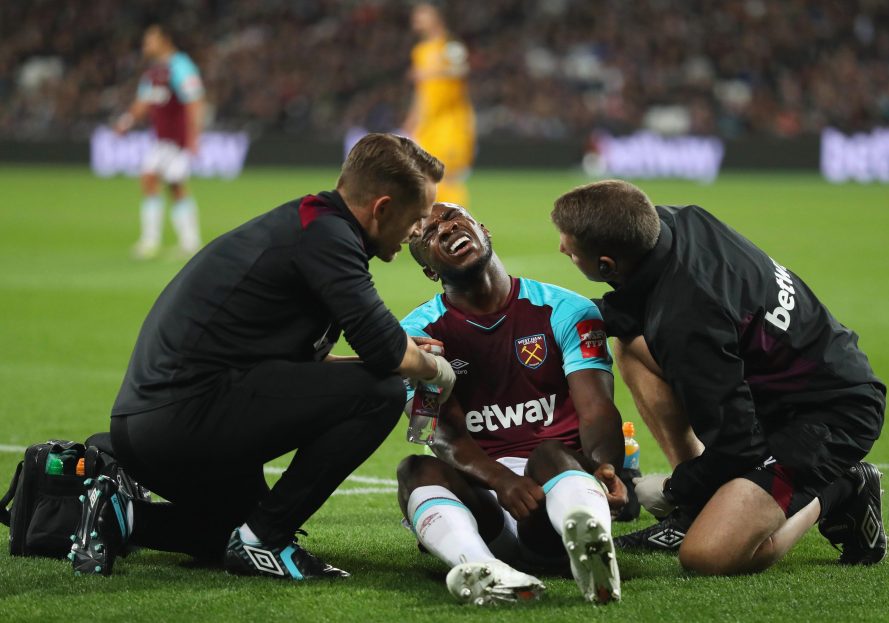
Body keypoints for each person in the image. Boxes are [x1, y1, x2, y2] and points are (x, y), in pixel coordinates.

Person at [69, 134, 457, 580]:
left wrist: (399, 358)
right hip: (181, 419)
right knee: (383, 390)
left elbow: (296, 367)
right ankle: (265, 541)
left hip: (163, 420)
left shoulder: (314, 223)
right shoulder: (328, 238)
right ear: (382, 208)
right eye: (417, 216)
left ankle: (119, 516)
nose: (416, 230)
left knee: (231, 530)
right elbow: (386, 351)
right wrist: (437, 372)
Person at [550, 179, 887, 575]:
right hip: (785, 379)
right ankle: (692, 513)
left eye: (571, 250)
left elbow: (739, 446)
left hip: (830, 415)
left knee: (709, 556)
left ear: (606, 265)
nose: (562, 249)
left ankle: (841, 487)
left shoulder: (687, 323)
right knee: (631, 343)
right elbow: (629, 310)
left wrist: (673, 488)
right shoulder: (676, 223)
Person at [396, 202, 626, 605]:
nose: (447, 229)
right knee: (413, 469)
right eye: (430, 233)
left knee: (551, 453)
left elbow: (596, 408)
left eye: (453, 217)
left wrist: (605, 468)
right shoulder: (416, 334)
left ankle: (588, 534)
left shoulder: (566, 310)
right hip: (485, 500)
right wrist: (502, 480)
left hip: (555, 493)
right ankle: (481, 566)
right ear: (430, 272)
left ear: (482, 229)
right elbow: (431, 431)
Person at [114, 24, 204, 260]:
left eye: (149, 41)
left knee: (168, 183)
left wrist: (194, 137)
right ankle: (166, 241)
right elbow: (143, 102)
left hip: (178, 140)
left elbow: (195, 101)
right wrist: (125, 122)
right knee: (157, 182)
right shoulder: (153, 72)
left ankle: (175, 241)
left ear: (164, 41)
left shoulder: (181, 67)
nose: (146, 46)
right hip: (161, 140)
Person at [402, 3, 476, 208]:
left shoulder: (451, 46)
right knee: (427, 176)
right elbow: (421, 93)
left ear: (436, 16)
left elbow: (462, 70)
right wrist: (412, 118)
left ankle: (457, 225)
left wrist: (432, 73)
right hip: (429, 124)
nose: (416, 18)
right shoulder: (420, 51)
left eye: (421, 14)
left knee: (448, 175)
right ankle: (436, 224)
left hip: (451, 121)